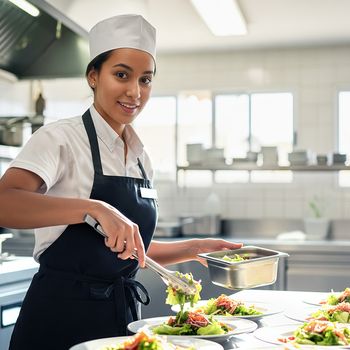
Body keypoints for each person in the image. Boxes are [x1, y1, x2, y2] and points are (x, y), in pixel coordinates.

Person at [0, 14, 242, 350]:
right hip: (59, 319)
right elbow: (5, 203)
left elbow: (128, 251)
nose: (135, 92)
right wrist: (94, 207)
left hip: (122, 320)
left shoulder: (141, 156)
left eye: (145, 80)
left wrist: (193, 248)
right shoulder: (61, 138)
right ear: (93, 76)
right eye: (121, 75)